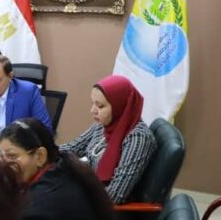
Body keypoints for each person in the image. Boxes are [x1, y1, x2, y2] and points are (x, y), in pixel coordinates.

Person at [61, 75, 157, 203]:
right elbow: (72, 148)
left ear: (120, 106)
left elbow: (115, 194)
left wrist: (72, 195)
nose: (93, 111)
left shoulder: (137, 138)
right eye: (93, 103)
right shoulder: (104, 125)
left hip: (106, 209)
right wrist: (44, 149)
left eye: (100, 106)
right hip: (89, 189)